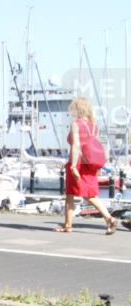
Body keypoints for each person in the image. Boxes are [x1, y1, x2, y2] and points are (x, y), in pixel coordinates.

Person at [54, 97, 118, 235]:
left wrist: (73, 166)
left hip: (77, 163)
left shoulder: (76, 124)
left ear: (76, 109)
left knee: (77, 195)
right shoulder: (93, 125)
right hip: (90, 164)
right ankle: (68, 225)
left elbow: (76, 145)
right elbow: (94, 146)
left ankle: (109, 218)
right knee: (84, 194)